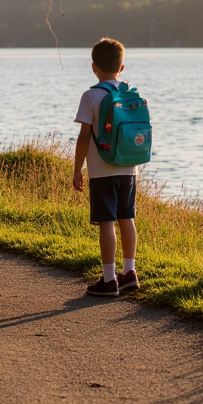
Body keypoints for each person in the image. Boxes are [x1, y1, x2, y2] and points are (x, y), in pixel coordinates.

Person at [73, 38, 140, 297]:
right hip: (130, 168)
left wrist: (78, 169)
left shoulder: (91, 96)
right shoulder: (131, 94)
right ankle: (130, 272)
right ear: (121, 67)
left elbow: (83, 137)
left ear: (94, 68)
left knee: (106, 223)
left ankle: (109, 279)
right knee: (127, 218)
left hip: (102, 171)